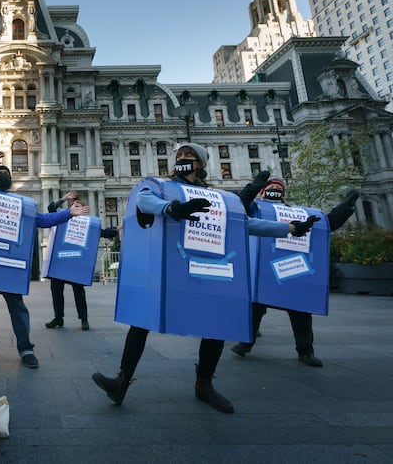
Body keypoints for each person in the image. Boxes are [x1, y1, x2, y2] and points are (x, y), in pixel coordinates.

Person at [92, 143, 320, 413]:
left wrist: (290, 228)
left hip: (207, 268)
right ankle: (121, 381)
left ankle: (204, 384)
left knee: (217, 323)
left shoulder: (216, 197)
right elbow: (143, 200)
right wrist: (172, 208)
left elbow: (244, 224)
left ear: (200, 163)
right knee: (141, 320)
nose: (182, 159)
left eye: (189, 156)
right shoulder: (158, 186)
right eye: (179, 156)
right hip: (170, 267)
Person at [0, 151, 91, 368]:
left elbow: (43, 220)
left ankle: (26, 348)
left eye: (5, 173)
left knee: (17, 307)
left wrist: (68, 214)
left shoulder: (21, 204)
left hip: (10, 264)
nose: (2, 175)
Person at [231, 178, 360, 367]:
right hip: (262, 272)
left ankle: (306, 351)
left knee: (301, 312)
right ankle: (245, 343)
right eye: (270, 187)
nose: (274, 189)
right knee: (255, 308)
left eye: (278, 188)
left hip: (292, 272)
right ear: (262, 192)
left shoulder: (297, 213)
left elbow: (324, 225)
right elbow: (238, 209)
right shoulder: (254, 209)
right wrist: (251, 189)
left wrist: (345, 208)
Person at [45, 192, 118, 331]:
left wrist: (117, 229)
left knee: (79, 291)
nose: (74, 206)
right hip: (60, 260)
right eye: (72, 205)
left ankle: (84, 319)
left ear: (83, 209)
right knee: (56, 290)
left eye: (77, 205)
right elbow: (51, 209)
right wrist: (64, 198)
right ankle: (58, 317)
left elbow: (103, 232)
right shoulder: (63, 218)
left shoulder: (88, 223)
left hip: (76, 262)